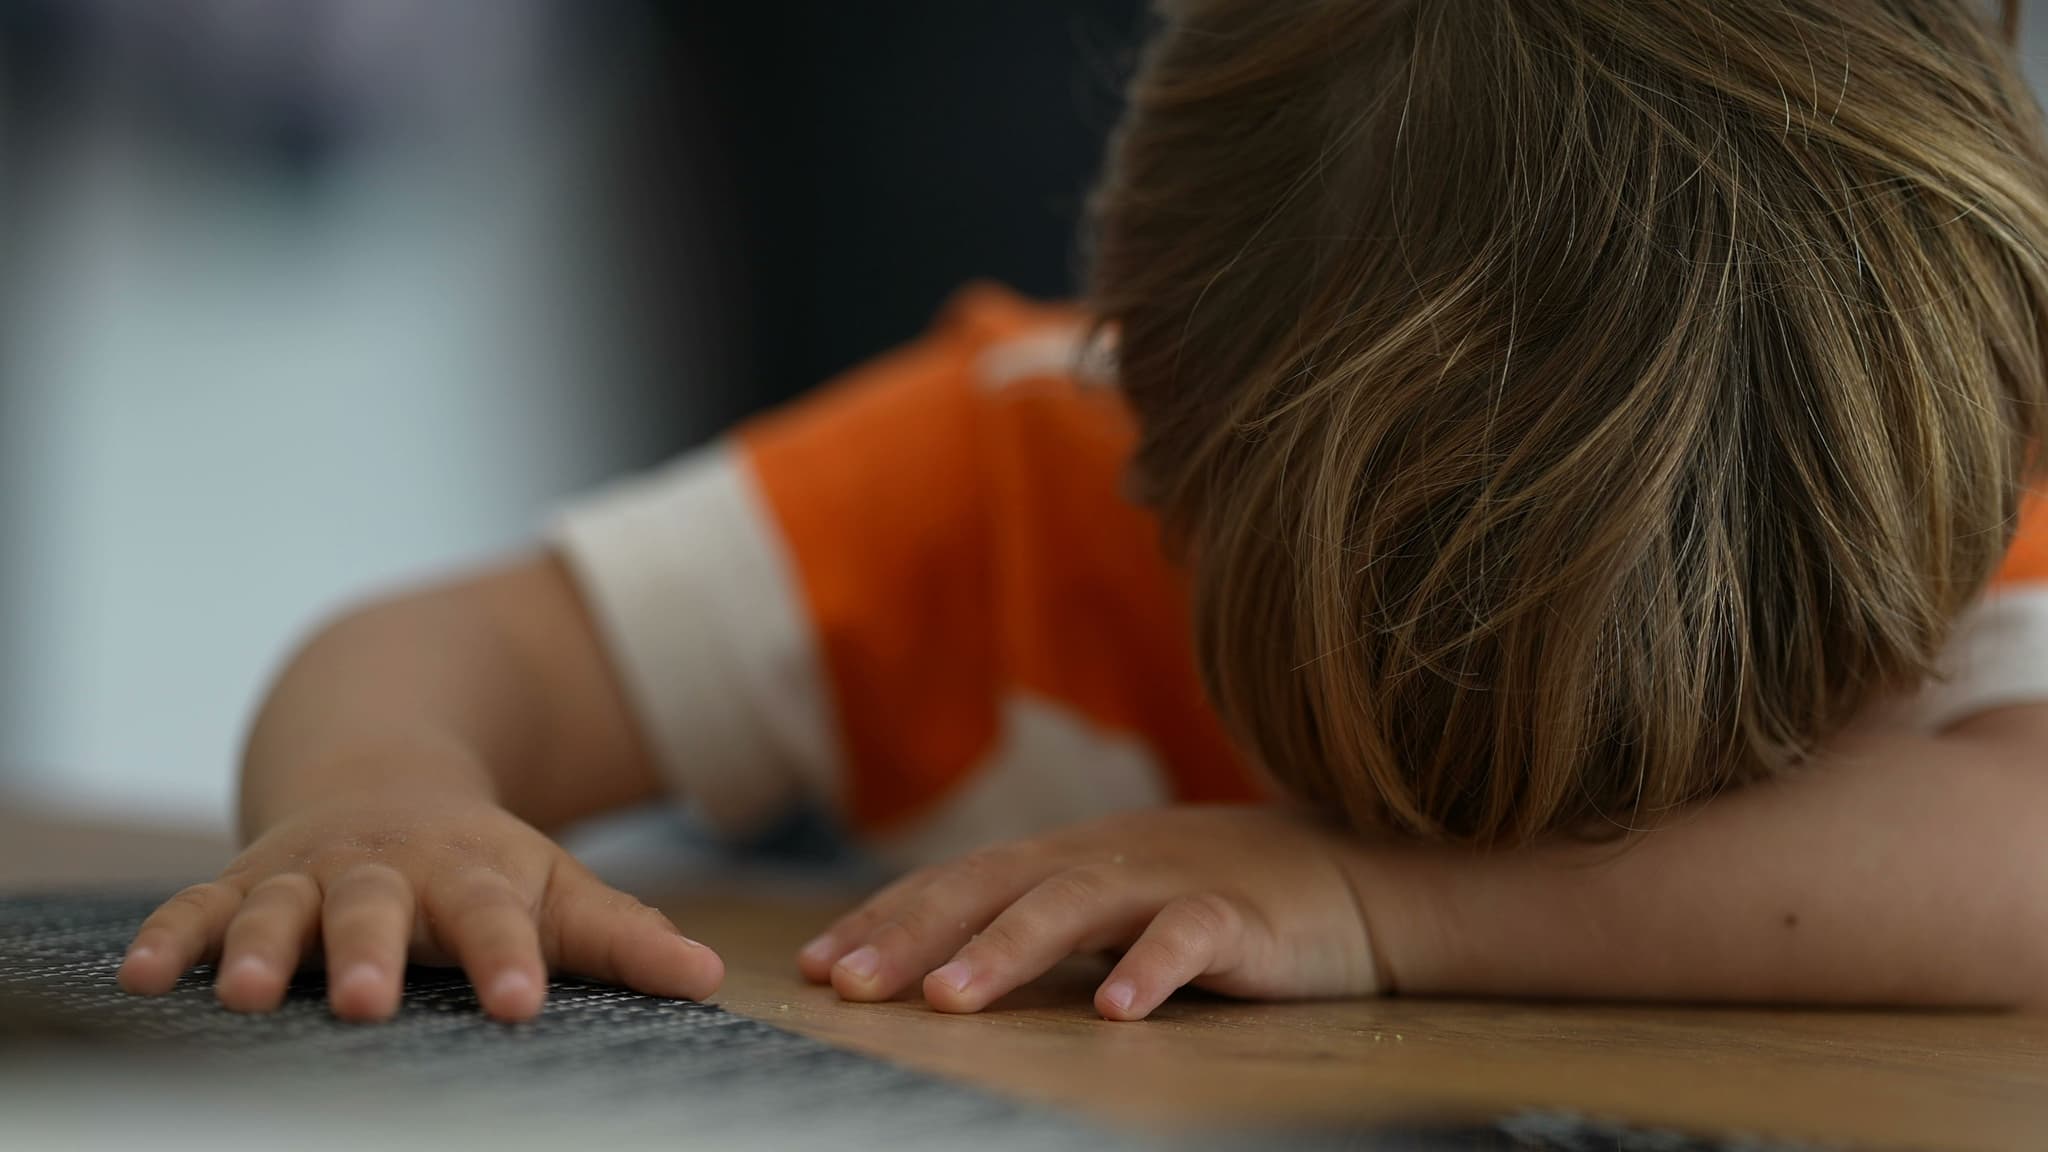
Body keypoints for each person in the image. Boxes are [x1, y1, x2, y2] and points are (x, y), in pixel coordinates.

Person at [119, 0, 2048, 1023]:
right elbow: (450, 652)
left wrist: (1373, 900)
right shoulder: (1003, 473)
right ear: (1150, 399)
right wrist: (377, 799)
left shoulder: (1910, 479)